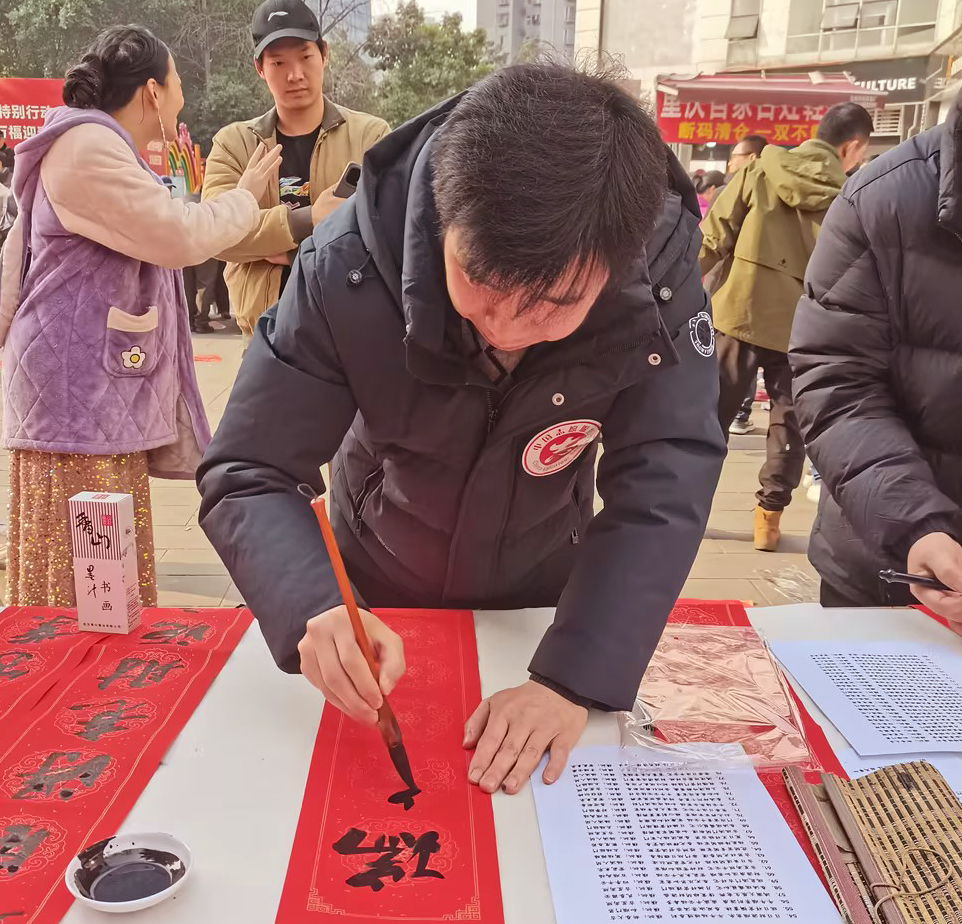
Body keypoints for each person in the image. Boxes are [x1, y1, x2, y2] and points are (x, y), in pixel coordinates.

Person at [198, 64, 726, 793]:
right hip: (375, 574)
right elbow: (248, 468)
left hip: (544, 588)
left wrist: (576, 676)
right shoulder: (348, 265)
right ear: (442, 220)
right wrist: (312, 601)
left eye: (553, 305)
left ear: (615, 267)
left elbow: (668, 474)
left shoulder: (656, 281)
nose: (505, 329)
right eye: (478, 278)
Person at [0, 25, 280, 606]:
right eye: (177, 82)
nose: (182, 96)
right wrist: (246, 195)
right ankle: (74, 658)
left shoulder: (89, 144)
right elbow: (178, 235)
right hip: (76, 397)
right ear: (153, 91)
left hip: (83, 391)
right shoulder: (88, 148)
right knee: (89, 574)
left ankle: (85, 655)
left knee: (96, 561)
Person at [791, 88, 962, 621]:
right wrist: (916, 524)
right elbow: (836, 379)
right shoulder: (881, 196)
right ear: (853, 147)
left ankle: (768, 509)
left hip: (754, 319)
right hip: (900, 562)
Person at [699, 102, 872, 551]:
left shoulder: (758, 170)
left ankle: (690, 509)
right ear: (851, 147)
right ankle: (768, 520)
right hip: (803, 327)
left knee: (709, 417)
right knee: (788, 423)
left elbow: (713, 237)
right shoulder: (851, 195)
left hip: (739, 313)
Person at [202, 0, 390, 340]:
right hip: (265, 336)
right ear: (260, 68)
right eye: (278, 62)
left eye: (305, 57)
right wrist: (307, 220)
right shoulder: (234, 144)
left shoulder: (370, 137)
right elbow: (214, 234)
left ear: (324, 54)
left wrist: (288, 251)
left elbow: (388, 232)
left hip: (351, 335)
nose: (295, 75)